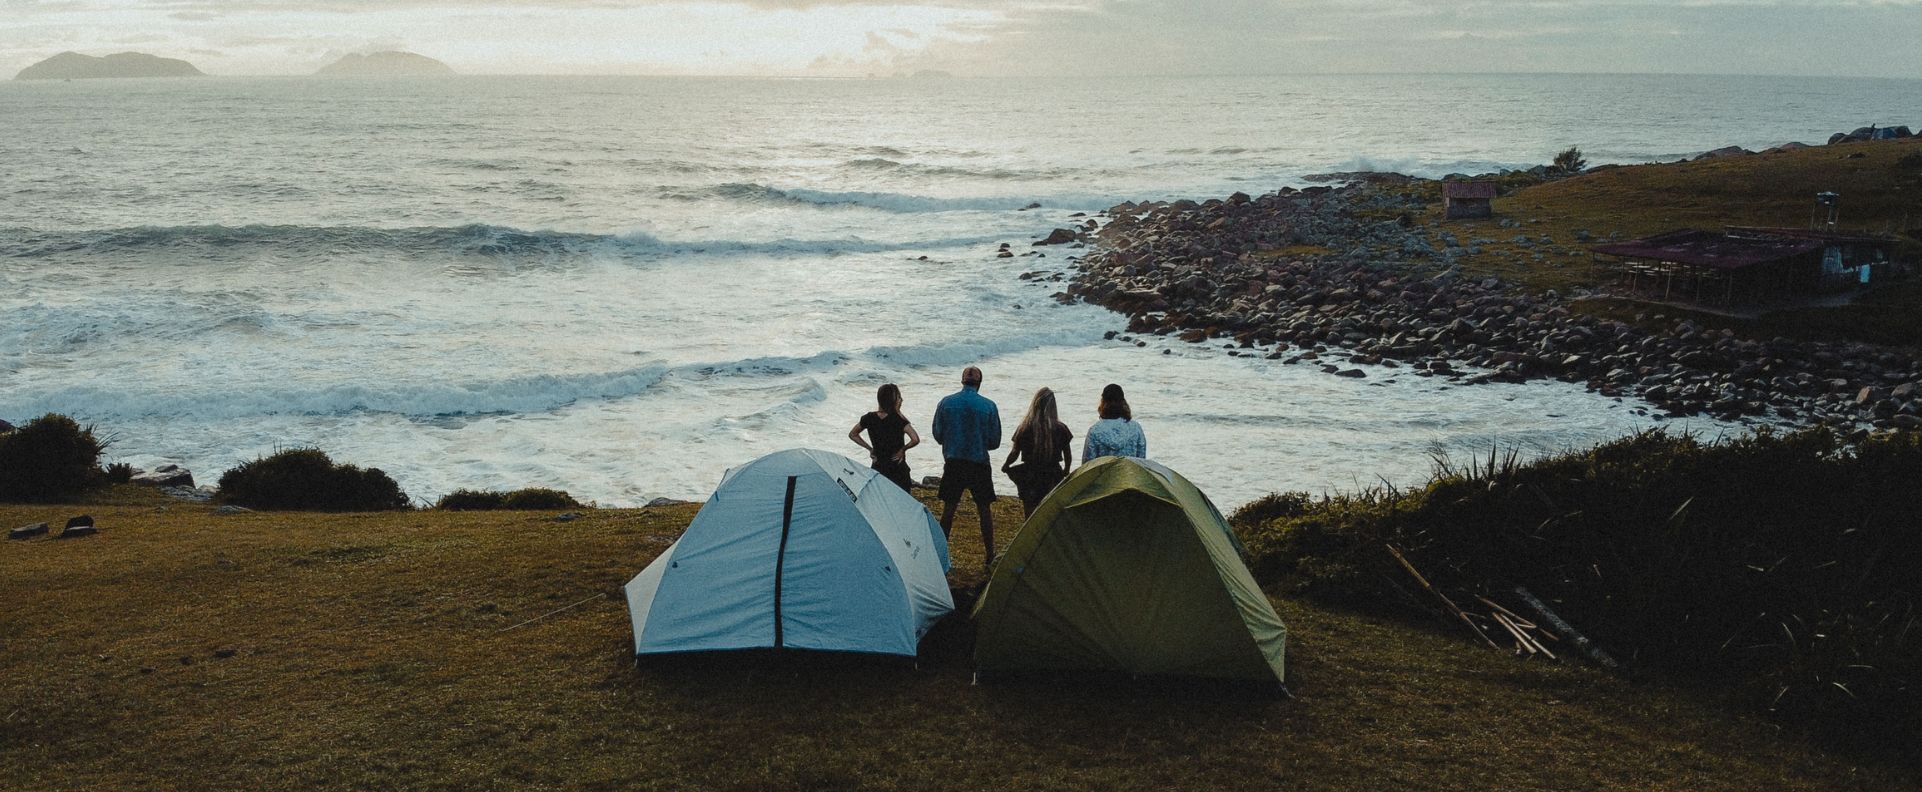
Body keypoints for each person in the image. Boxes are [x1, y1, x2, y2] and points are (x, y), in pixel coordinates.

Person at [931, 366, 1002, 567]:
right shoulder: (989, 406)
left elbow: (937, 434)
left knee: (949, 510)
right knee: (984, 510)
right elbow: (994, 441)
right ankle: (989, 554)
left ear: (962, 381)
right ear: (980, 383)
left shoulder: (946, 403)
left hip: (954, 462)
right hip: (979, 462)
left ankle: (940, 555)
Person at [1001, 387, 1073, 516]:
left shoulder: (1024, 428)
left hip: (1030, 475)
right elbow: (1068, 455)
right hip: (1052, 474)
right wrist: (1066, 470)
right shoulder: (1061, 428)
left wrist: (1006, 465)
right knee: (1050, 512)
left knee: (1030, 511)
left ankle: (1030, 535)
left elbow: (1014, 453)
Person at [848, 383, 919, 492]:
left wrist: (870, 449)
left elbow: (853, 434)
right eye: (899, 397)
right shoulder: (898, 420)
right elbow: (915, 439)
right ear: (894, 400)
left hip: (878, 465)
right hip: (897, 467)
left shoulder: (869, 418)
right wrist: (902, 450)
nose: (902, 400)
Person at [1082, 383, 1146, 462]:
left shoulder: (1095, 431)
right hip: (1129, 473)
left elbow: (1088, 463)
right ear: (1123, 402)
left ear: (1103, 402)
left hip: (1104, 474)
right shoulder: (1136, 428)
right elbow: (1142, 460)